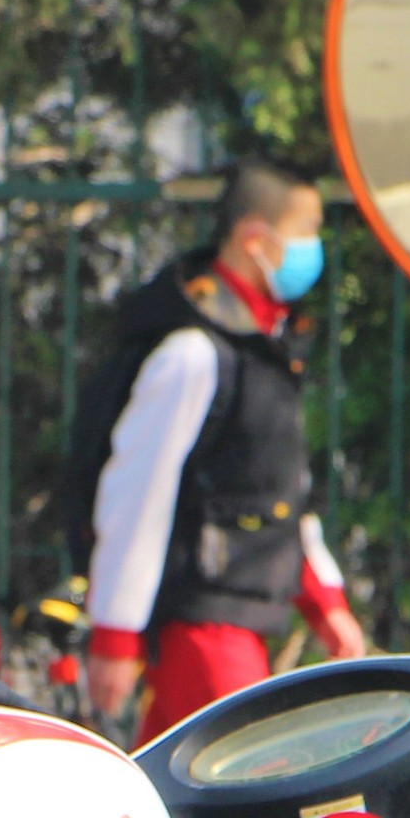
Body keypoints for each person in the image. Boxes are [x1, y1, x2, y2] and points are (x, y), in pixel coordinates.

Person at [73, 158, 371, 746]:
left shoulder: (261, 347)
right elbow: (137, 495)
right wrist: (115, 635)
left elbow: (273, 486)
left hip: (235, 621)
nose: (314, 249)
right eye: (306, 231)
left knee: (180, 812)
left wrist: (323, 597)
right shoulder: (191, 353)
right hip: (202, 630)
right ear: (254, 238)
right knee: (247, 794)